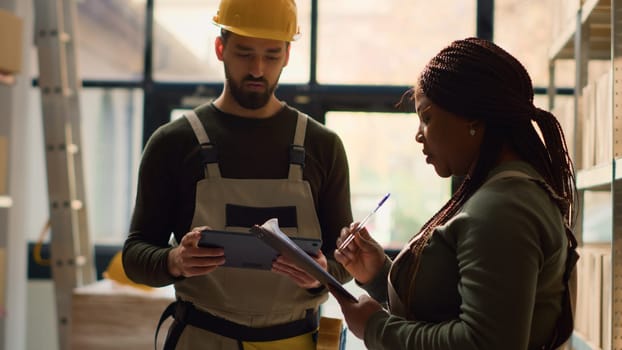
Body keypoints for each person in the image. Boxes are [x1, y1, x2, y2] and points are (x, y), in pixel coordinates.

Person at [121, 0, 353, 349]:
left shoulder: (323, 146)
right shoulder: (173, 143)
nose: (258, 69)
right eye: (244, 53)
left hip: (295, 342)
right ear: (220, 48)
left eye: (272, 55)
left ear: (288, 55)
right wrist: (174, 261)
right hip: (203, 339)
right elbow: (135, 255)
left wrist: (320, 274)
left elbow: (344, 260)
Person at [331, 37, 579, 350]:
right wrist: (381, 275)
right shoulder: (505, 194)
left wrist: (375, 327)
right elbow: (452, 306)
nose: (419, 135)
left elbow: (484, 343)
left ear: (473, 116)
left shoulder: (504, 208)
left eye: (427, 117)